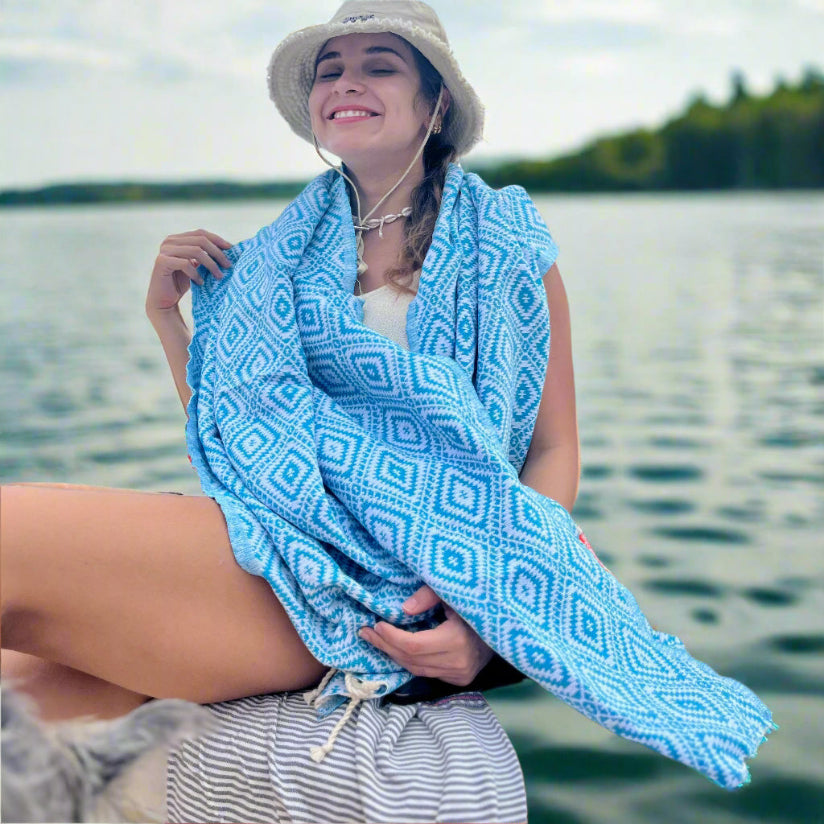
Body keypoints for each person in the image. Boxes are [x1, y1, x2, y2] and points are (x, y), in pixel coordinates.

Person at [1, 0, 773, 816]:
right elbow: (242, 435)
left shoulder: (506, 246)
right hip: (281, 532)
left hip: (379, 578)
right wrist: (168, 321)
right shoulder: (276, 257)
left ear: (436, 101)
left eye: (380, 64)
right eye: (330, 68)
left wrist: (486, 615)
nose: (347, 81)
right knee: (18, 689)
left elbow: (550, 452)